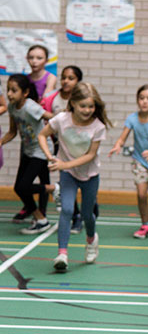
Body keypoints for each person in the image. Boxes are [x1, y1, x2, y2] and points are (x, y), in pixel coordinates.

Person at [38, 82, 111, 271]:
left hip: (90, 175)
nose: (87, 110)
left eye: (91, 106)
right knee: (67, 210)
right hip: (68, 174)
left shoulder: (98, 126)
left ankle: (91, 239)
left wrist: (63, 164)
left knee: (87, 214)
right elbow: (42, 135)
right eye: (83, 106)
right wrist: (49, 156)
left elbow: (90, 155)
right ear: (73, 104)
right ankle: (62, 253)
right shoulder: (61, 119)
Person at [108, 84, 148, 238]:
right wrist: (117, 145)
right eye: (141, 98)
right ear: (137, 100)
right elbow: (123, 137)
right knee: (141, 194)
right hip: (139, 162)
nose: (145, 102)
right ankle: (145, 225)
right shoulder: (132, 119)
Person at [40, 65, 91, 234]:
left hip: (80, 149)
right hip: (60, 148)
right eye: (63, 77)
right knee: (67, 183)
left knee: (83, 182)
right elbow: (47, 122)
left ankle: (90, 208)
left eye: (71, 78)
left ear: (78, 82)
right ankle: (75, 217)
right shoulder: (53, 99)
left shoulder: (83, 101)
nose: (65, 81)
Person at [0, 74, 53, 234]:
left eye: (14, 90)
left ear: (25, 92)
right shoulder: (12, 107)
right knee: (19, 188)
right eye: (8, 90)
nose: (9, 94)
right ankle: (41, 220)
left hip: (41, 150)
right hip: (27, 150)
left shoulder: (30, 107)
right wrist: (1, 142)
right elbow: (12, 132)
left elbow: (51, 118)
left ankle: (55, 188)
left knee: (24, 186)